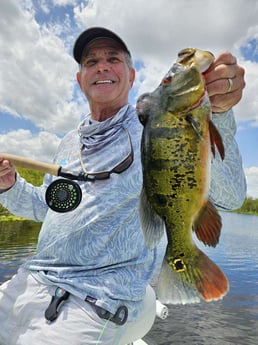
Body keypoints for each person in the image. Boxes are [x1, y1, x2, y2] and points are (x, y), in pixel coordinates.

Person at [0, 27, 246, 345]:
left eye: (113, 58)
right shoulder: (69, 142)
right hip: (34, 280)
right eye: (91, 61)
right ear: (80, 80)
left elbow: (230, 196)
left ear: (131, 76)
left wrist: (220, 112)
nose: (101, 66)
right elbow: (46, 207)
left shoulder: (151, 124)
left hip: (96, 301)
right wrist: (10, 186)